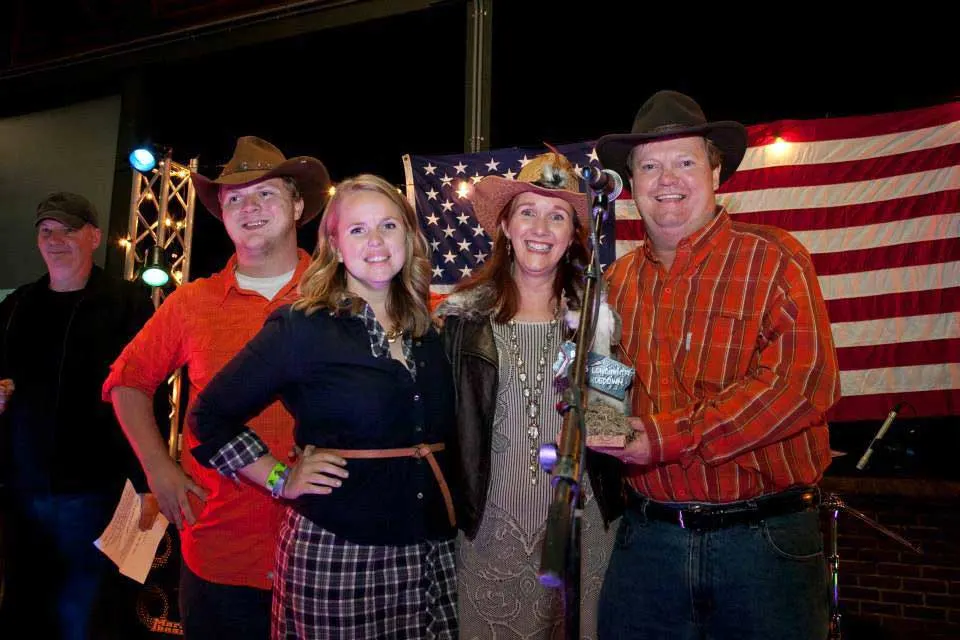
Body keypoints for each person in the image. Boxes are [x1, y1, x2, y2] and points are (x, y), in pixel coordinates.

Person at [590, 89, 842, 639]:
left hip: (764, 544)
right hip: (648, 544)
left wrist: (662, 438)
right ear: (631, 183)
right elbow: (605, 389)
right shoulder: (613, 284)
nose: (667, 179)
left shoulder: (775, 257)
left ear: (715, 171)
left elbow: (801, 386)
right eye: (650, 166)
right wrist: (591, 404)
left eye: (684, 161)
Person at [189, 174, 459, 639]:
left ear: (410, 237)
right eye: (357, 230)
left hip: (434, 557)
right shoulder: (303, 326)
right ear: (333, 244)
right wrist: (279, 477)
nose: (375, 241)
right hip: (341, 557)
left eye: (388, 226)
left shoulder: (434, 328)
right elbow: (208, 417)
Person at [102, 136, 331, 638]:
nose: (249, 207)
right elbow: (127, 383)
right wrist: (158, 468)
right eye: (234, 199)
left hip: (327, 554)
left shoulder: (340, 295)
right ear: (222, 216)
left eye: (265, 194)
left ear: (297, 205)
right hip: (220, 555)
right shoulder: (192, 303)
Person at [435, 151, 622, 639]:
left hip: (584, 532)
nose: (542, 227)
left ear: (572, 236)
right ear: (505, 227)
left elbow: (610, 428)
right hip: (490, 531)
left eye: (558, 215)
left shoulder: (597, 321)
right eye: (527, 212)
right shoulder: (460, 321)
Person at [0, 192, 155, 639]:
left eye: (69, 229)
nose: (56, 239)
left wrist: (147, 479)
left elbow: (148, 394)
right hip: (21, 491)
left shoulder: (128, 302)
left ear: (94, 236)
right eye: (47, 230)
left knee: (86, 616)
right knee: (24, 610)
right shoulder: (16, 306)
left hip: (97, 493)